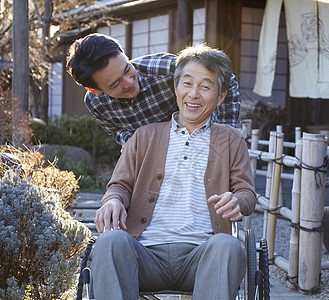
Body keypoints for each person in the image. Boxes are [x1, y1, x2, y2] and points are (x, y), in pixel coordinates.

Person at [90, 43, 257, 300]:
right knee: (109, 242)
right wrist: (112, 201)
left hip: (203, 255)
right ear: (176, 87)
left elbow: (246, 192)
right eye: (187, 84)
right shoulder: (143, 136)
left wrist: (236, 200)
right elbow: (119, 186)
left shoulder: (231, 139)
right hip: (144, 254)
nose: (193, 94)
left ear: (221, 96)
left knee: (229, 245)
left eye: (205, 86)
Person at [66, 33, 241, 145]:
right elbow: (116, 131)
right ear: (95, 89)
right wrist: (134, 143)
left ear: (124, 55)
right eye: (115, 84)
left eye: (127, 69)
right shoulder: (95, 103)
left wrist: (225, 131)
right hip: (154, 160)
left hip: (204, 143)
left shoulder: (164, 68)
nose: (128, 83)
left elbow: (227, 80)